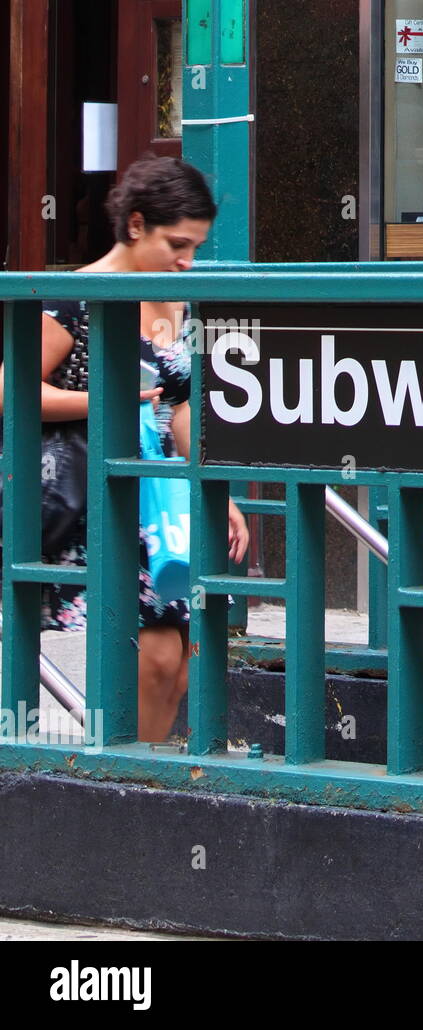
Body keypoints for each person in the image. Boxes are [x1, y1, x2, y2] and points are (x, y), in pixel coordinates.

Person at [0, 154, 248, 741]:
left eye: (197, 248)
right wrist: (110, 400)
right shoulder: (74, 298)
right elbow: (13, 391)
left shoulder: (174, 300)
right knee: (152, 653)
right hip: (93, 498)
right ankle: (118, 778)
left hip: (156, 497)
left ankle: (140, 781)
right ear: (136, 224)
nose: (187, 261)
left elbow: (182, 404)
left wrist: (213, 487)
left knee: (177, 658)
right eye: (177, 244)